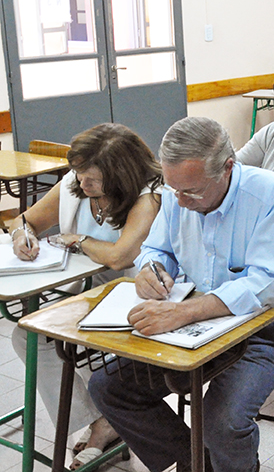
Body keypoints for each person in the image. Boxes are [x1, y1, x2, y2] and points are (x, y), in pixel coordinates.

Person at [88, 117, 274, 472]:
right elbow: (158, 250)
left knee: (222, 422)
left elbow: (268, 282)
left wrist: (186, 312)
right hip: (199, 327)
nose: (182, 201)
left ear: (227, 169)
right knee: (109, 387)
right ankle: (197, 464)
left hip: (267, 334)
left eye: (192, 191)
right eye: (174, 189)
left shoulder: (267, 193)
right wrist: (151, 271)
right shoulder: (179, 192)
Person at [9, 123, 162, 470]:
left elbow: (121, 255)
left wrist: (75, 240)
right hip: (83, 292)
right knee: (27, 336)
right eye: (78, 174)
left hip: (131, 296)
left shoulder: (149, 194)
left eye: (91, 178)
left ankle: (105, 423)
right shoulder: (73, 184)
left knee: (47, 340)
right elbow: (25, 219)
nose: (81, 184)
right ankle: (101, 421)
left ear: (120, 175)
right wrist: (22, 235)